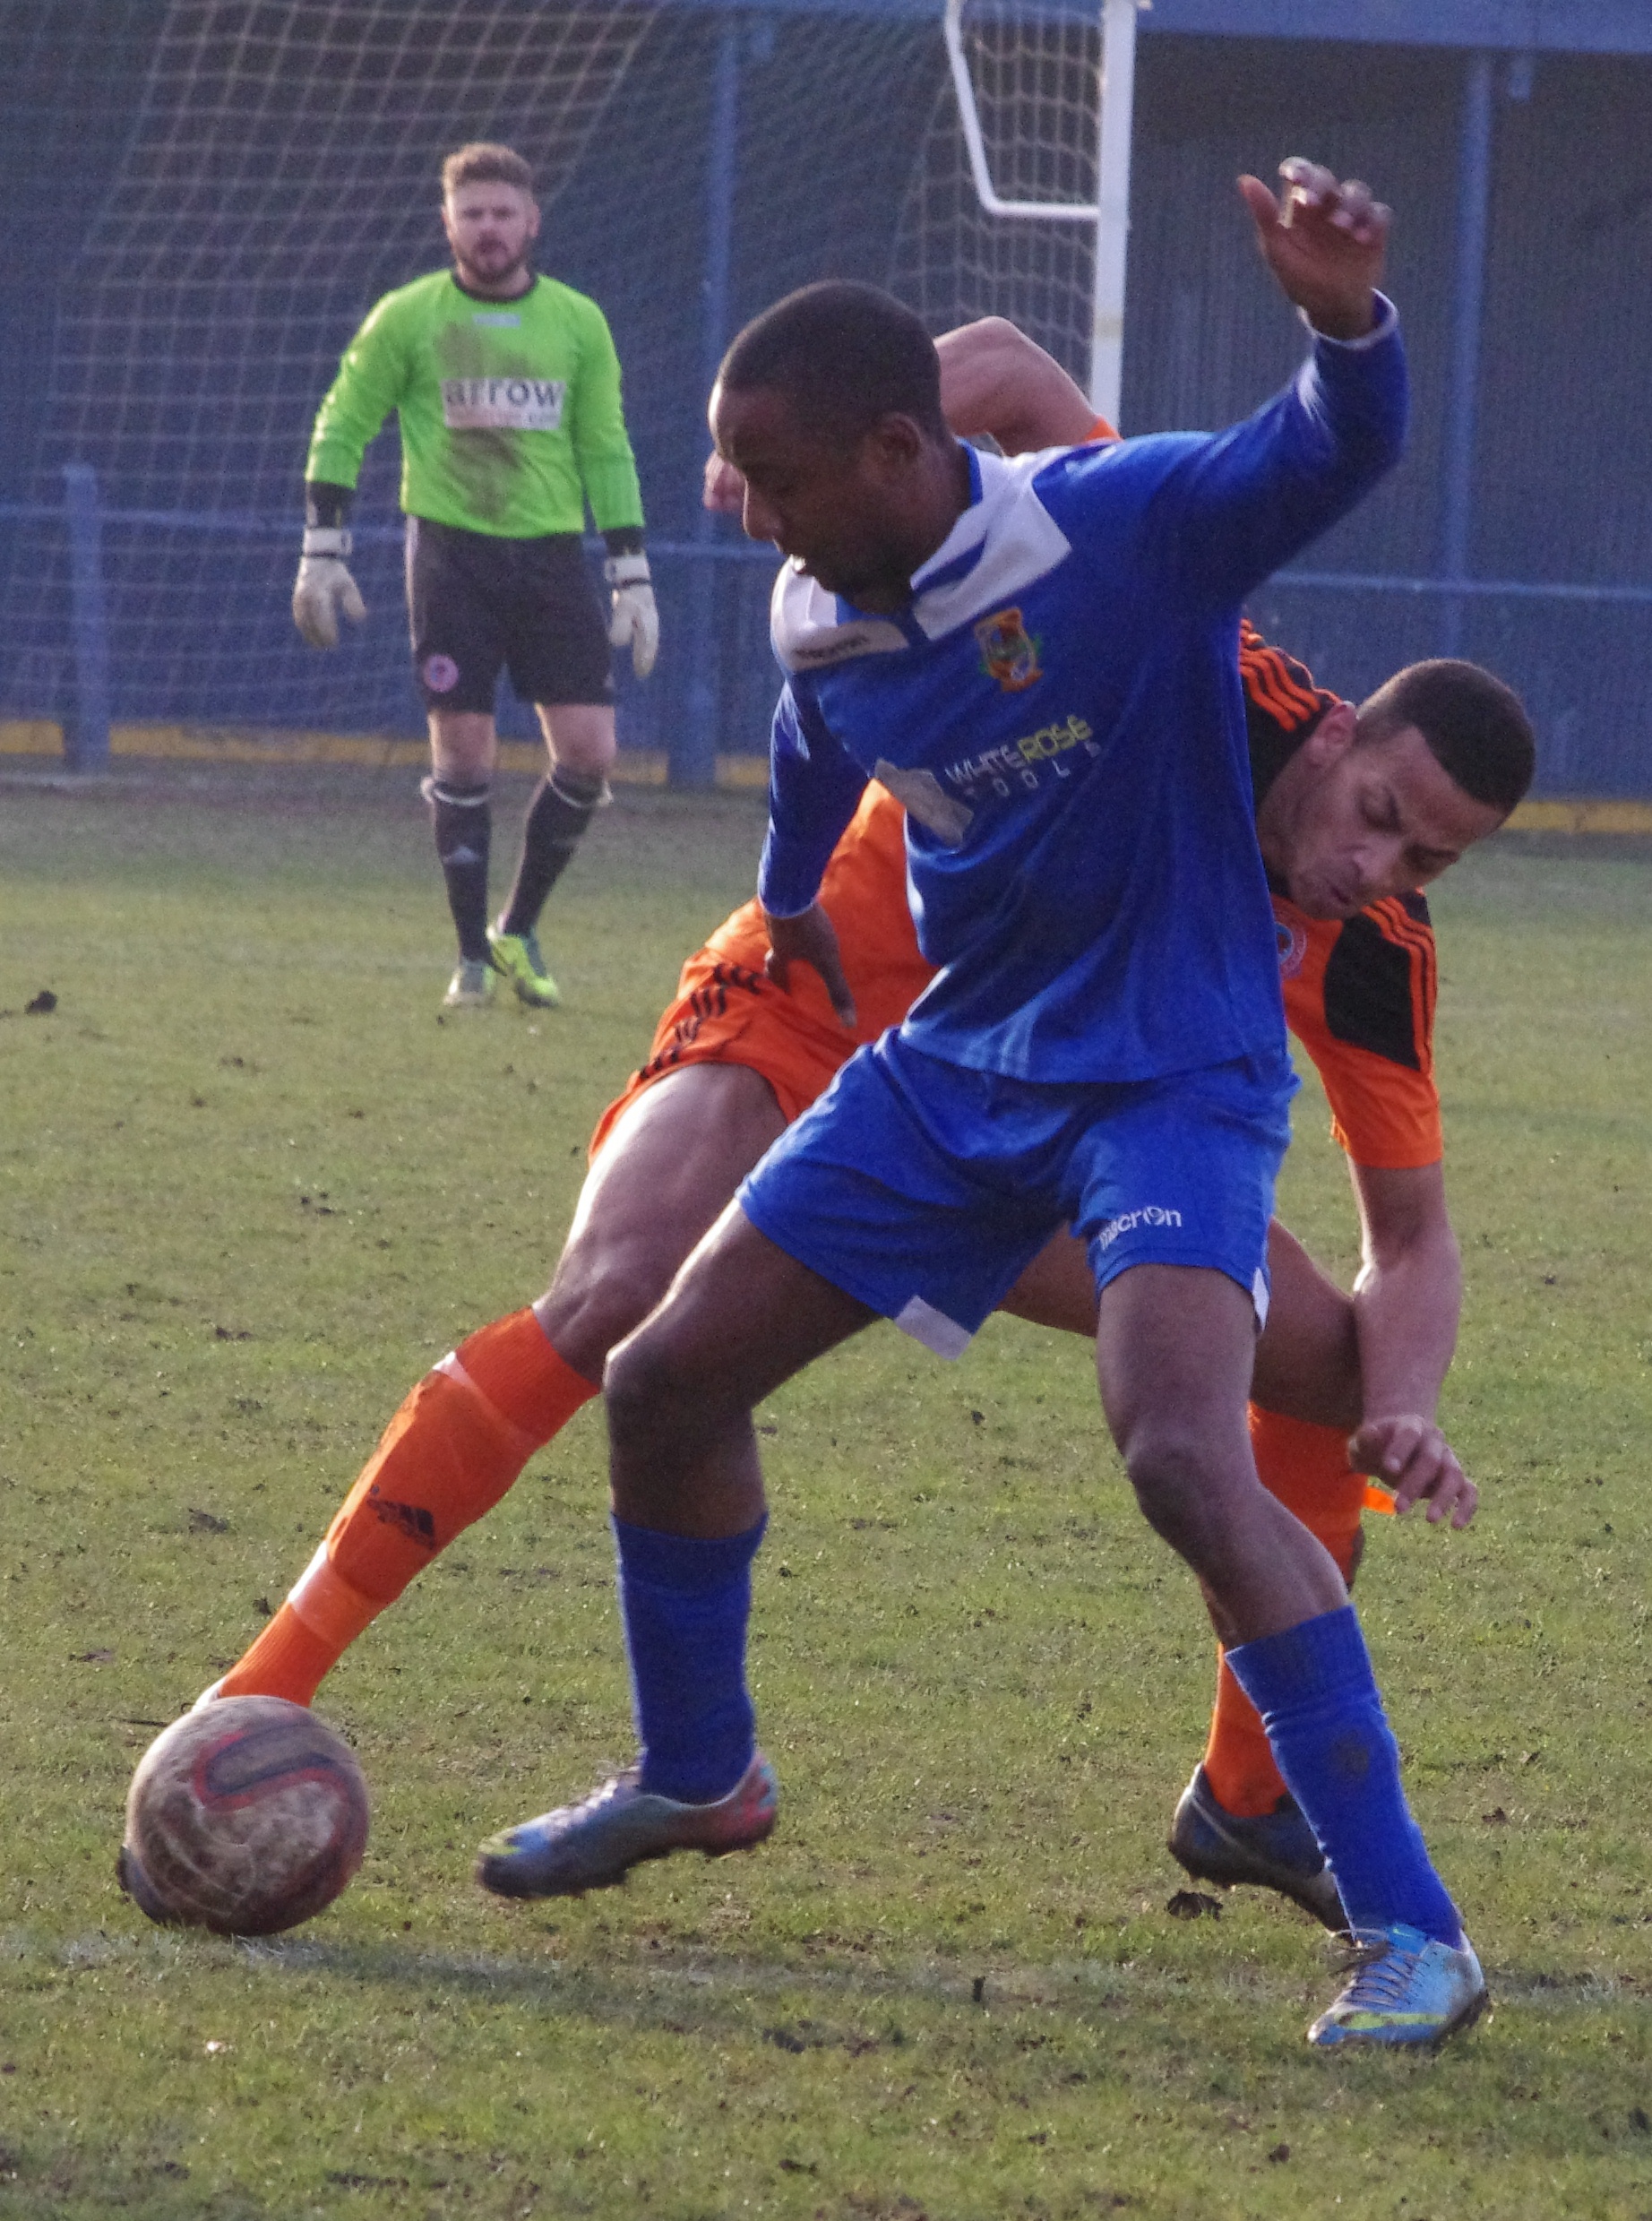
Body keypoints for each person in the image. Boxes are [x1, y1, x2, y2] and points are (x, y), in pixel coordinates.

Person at [461, 157, 1502, 2055]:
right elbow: (809, 732)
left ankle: (1412, 1930)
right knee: (664, 1382)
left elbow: (1329, 446)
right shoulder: (818, 605)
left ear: (890, 446)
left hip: (1166, 1081)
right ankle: (701, 1775)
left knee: (1181, 1450)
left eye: (776, 479)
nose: (754, 518)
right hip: (951, 1070)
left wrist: (1344, 318)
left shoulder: (1117, 529)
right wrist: (789, 895)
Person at [291, 142, 657, 1012]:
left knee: (590, 752)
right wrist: (322, 547)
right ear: (446, 223)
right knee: (463, 753)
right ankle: (467, 960)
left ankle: (515, 928)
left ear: (532, 221)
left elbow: (604, 446)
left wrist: (630, 569)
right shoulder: (407, 316)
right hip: (451, 559)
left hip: (550, 560)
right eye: (472, 214)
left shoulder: (577, 322)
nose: (488, 229)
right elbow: (343, 422)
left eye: (502, 213)